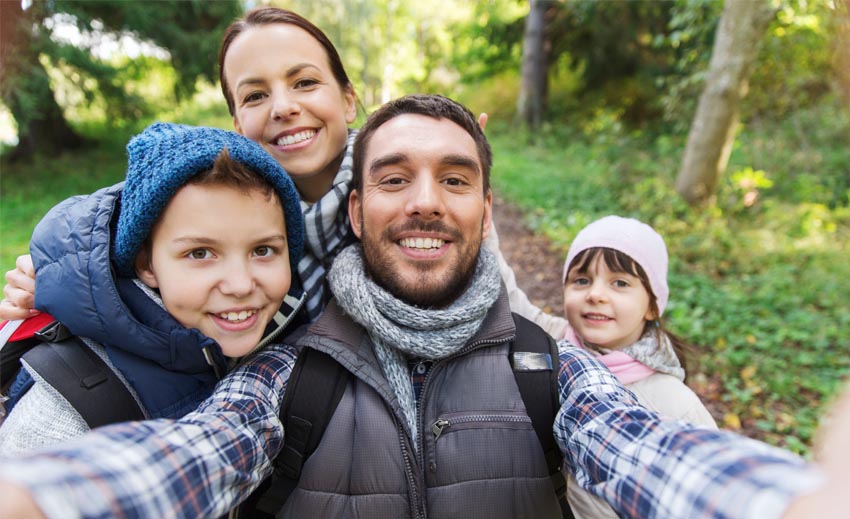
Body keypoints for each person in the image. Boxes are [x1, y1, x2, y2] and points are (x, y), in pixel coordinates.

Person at [0, 94, 846, 519]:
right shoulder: (287, 365)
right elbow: (193, 456)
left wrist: (785, 501)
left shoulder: (550, 364)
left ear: (485, 209)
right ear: (357, 209)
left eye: (456, 177)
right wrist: (44, 498)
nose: (426, 201)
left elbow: (647, 455)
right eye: (394, 176)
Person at [0, 5, 566, 336]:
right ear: (235, 120)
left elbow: (509, 310)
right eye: (255, 95)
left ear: (348, 100)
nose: (283, 107)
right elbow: (122, 218)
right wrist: (52, 274)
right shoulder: (212, 194)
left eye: (304, 82)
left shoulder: (399, 197)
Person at [0, 122, 305, 455]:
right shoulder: (63, 417)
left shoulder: (287, 321)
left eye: (263, 250)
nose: (241, 284)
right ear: (146, 265)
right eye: (200, 253)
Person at [559, 215, 717, 519]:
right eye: (582, 280)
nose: (595, 294)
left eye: (620, 283)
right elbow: (511, 295)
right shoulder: (554, 350)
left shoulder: (676, 405)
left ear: (653, 306)